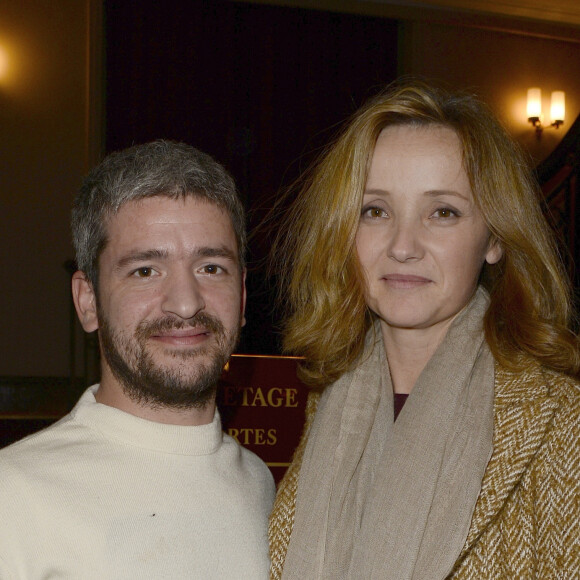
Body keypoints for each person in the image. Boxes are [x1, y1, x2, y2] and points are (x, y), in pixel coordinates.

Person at [268, 82, 580, 579]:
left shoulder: (562, 424)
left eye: (443, 212)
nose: (403, 245)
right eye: (375, 210)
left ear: (494, 238)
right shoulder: (329, 401)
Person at [0, 140, 275, 579]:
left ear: (242, 298)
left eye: (211, 267)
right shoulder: (13, 500)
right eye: (145, 270)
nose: (185, 304)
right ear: (88, 301)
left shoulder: (265, 490)